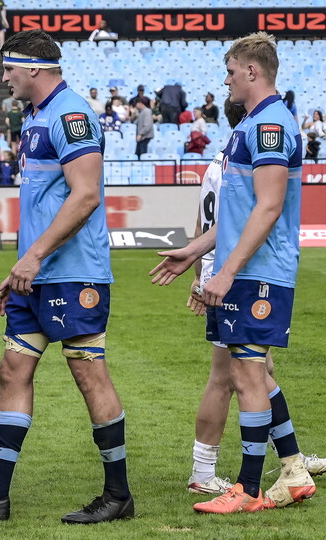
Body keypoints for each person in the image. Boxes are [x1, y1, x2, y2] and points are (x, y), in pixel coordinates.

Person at [149, 32, 312, 515]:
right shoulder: (252, 124)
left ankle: (248, 488)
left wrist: (226, 271)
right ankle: (295, 469)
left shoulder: (270, 127)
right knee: (254, 370)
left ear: (252, 72)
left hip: (260, 272)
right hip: (244, 269)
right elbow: (238, 216)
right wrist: (193, 251)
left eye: (230, 71)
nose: (225, 80)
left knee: (246, 373)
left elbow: (268, 207)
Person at [0, 29, 133, 525]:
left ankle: (119, 495)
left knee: (89, 373)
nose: (3, 78)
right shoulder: (37, 116)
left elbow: (85, 195)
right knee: (12, 369)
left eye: (9, 70)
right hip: (38, 274)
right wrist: (26, 263)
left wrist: (35, 256)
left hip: (73, 271)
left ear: (35, 70)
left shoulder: (71, 115)